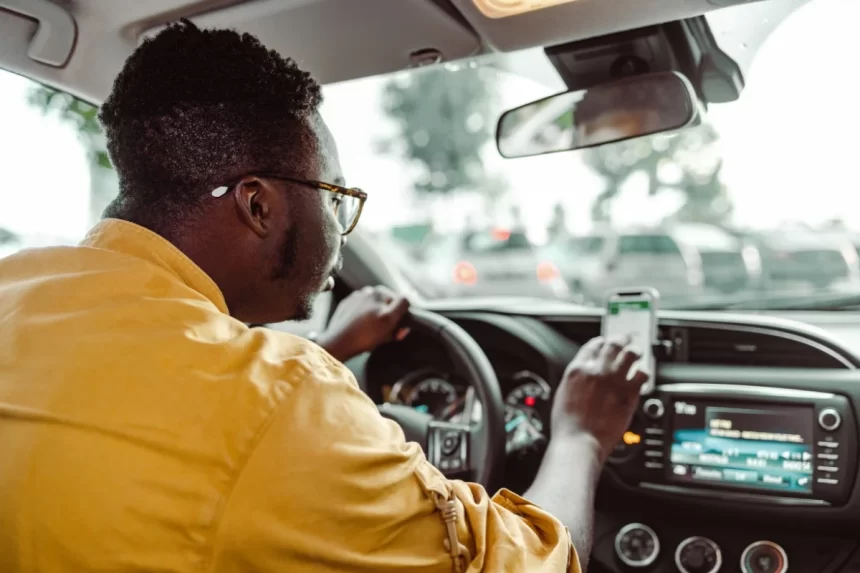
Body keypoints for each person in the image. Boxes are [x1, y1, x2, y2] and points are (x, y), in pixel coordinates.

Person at [0, 21, 647, 573]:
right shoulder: (285, 401)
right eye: (335, 197)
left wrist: (332, 345)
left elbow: (166, 397)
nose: (340, 226)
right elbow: (533, 563)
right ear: (259, 204)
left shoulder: (18, 287)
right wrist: (581, 435)